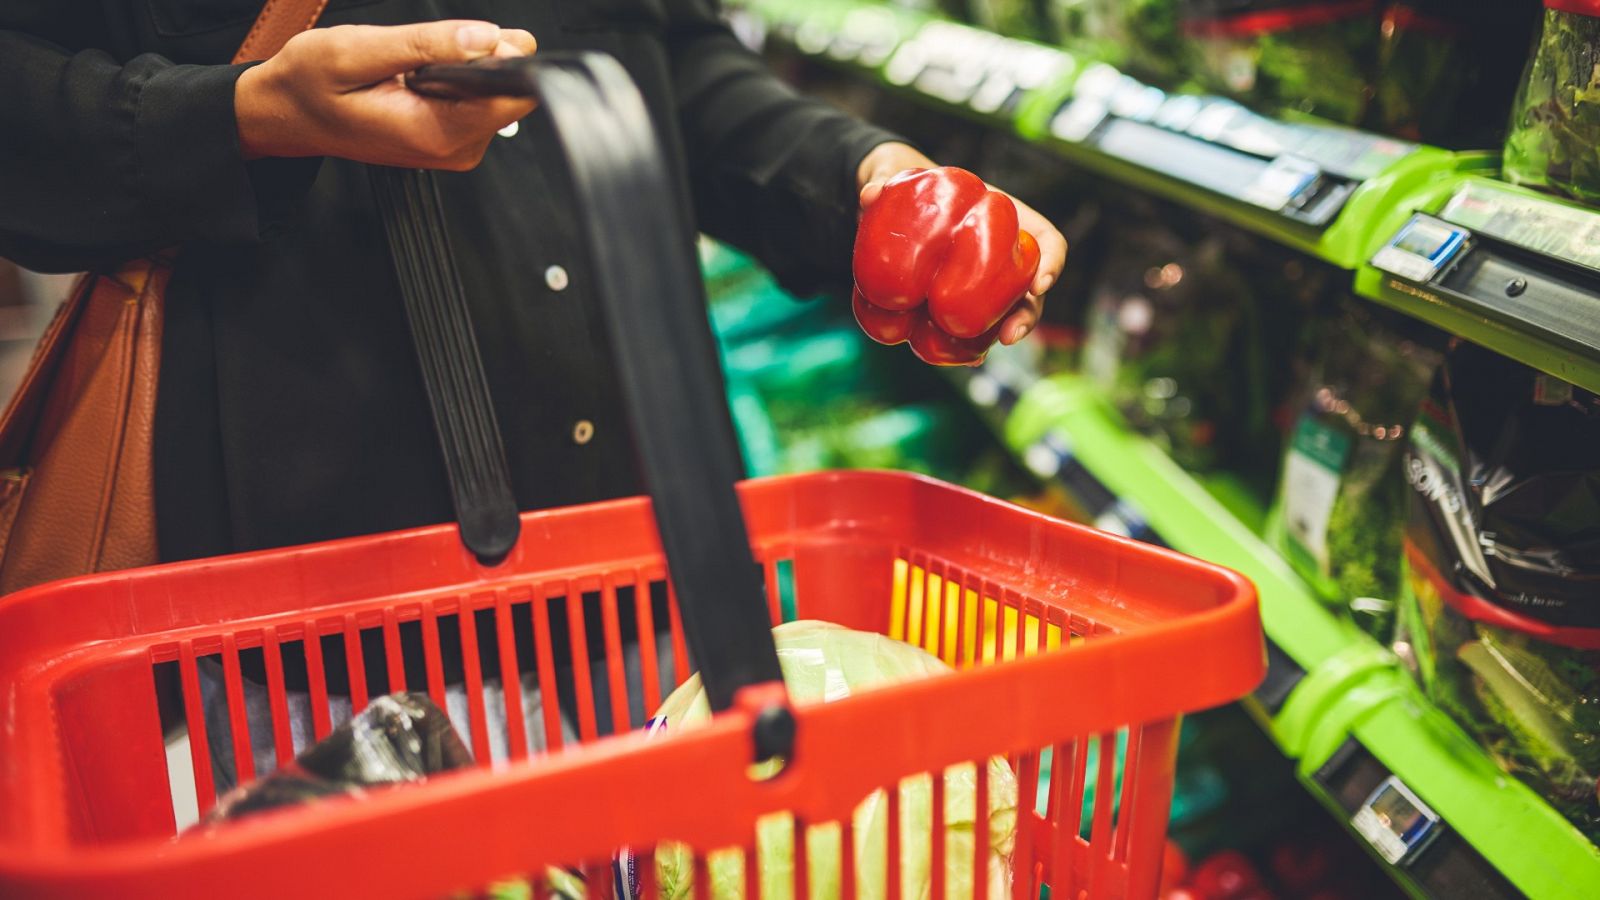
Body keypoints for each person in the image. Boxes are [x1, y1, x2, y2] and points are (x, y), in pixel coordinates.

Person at [0, 1, 1066, 786]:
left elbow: (660, 49)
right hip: (317, 598)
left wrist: (859, 173)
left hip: (648, 545)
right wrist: (239, 116)